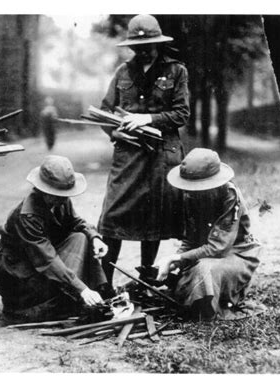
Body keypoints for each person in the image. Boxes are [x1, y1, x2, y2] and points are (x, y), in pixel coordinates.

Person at [98, 14, 190, 285]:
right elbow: (105, 111)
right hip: (128, 155)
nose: (144, 50)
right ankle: (105, 285)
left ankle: (146, 280)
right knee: (113, 217)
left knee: (154, 218)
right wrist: (116, 132)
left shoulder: (176, 71)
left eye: (149, 45)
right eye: (138, 46)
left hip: (160, 155)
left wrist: (148, 119)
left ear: (159, 43)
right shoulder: (123, 72)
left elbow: (181, 113)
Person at [0, 155, 110, 322]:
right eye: (56, 194)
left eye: (65, 194)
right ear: (42, 190)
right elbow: (46, 260)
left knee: (81, 237)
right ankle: (67, 299)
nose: (62, 198)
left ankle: (97, 291)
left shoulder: (60, 200)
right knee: (58, 303)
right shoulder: (28, 215)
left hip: (38, 257)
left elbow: (77, 222)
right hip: (17, 268)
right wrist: (81, 289)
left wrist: (95, 237)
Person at [156, 148, 262, 320]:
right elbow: (190, 240)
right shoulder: (189, 197)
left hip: (237, 253)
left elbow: (219, 247)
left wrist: (177, 259)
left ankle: (204, 308)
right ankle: (192, 300)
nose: (190, 191)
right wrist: (177, 261)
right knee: (180, 272)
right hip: (207, 252)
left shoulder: (230, 196)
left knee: (203, 270)